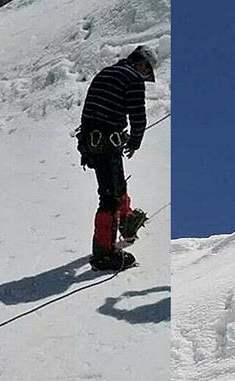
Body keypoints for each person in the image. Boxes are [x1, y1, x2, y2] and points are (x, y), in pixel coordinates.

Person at [77, 45, 156, 271]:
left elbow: (90, 110)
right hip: (106, 143)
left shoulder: (107, 72)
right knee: (109, 197)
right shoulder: (133, 78)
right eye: (147, 70)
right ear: (141, 63)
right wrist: (135, 142)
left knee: (117, 185)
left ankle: (126, 222)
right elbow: (138, 117)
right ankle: (104, 254)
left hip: (91, 141)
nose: (145, 75)